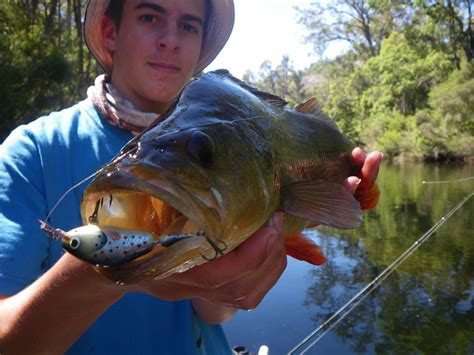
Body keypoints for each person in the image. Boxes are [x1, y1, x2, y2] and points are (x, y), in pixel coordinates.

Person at [0, 0, 383, 353]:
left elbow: (215, 313)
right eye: (150, 17)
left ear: (200, 46)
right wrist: (98, 274)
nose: (170, 41)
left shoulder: (229, 142)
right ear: (111, 31)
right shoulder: (29, 152)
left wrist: (236, 276)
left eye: (188, 25)